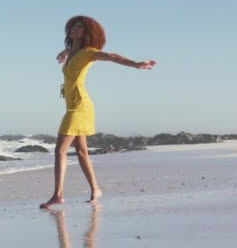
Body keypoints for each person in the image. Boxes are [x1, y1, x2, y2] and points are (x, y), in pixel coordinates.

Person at [39, 16, 156, 209]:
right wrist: (67, 50)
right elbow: (72, 52)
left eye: (80, 27)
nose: (75, 29)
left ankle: (58, 195)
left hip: (79, 107)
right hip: (73, 105)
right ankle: (96, 189)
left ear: (87, 34)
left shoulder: (89, 52)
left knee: (60, 150)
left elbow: (112, 56)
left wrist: (136, 64)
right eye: (74, 26)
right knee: (82, 151)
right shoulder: (74, 52)